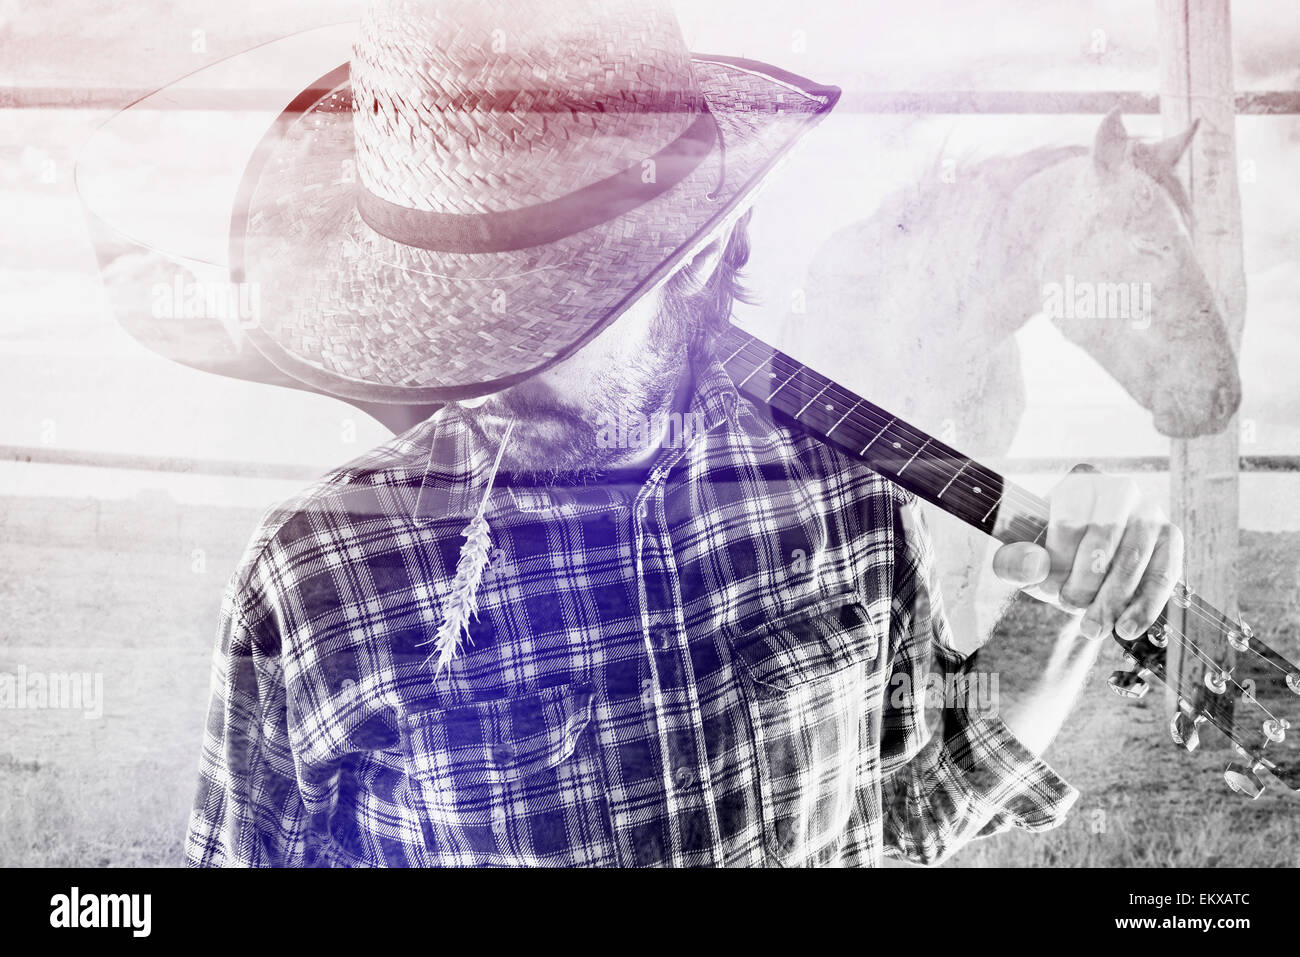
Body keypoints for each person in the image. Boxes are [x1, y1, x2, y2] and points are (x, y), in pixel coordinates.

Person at [183, 0, 1181, 867]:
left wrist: (1067, 624)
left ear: (696, 255)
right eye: (446, 309)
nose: (471, 365)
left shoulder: (836, 492)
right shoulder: (319, 580)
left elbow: (894, 815)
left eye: (540, 304)